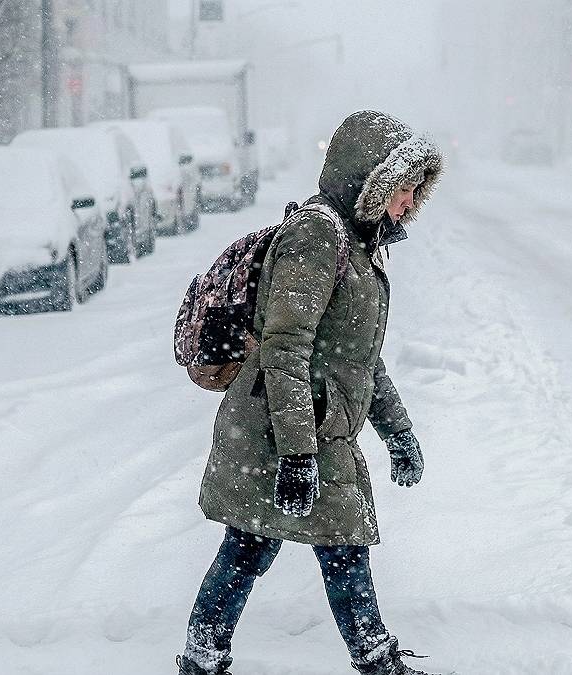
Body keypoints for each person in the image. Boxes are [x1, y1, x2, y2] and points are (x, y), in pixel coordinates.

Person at [176, 110, 444, 675]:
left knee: (256, 545)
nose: (407, 203)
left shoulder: (356, 243)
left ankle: (203, 657)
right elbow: (285, 347)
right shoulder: (318, 236)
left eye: (414, 192)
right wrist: (297, 454)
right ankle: (375, 663)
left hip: (308, 425)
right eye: (401, 188)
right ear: (369, 182)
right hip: (281, 428)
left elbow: (356, 360)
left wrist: (398, 432)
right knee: (329, 545)